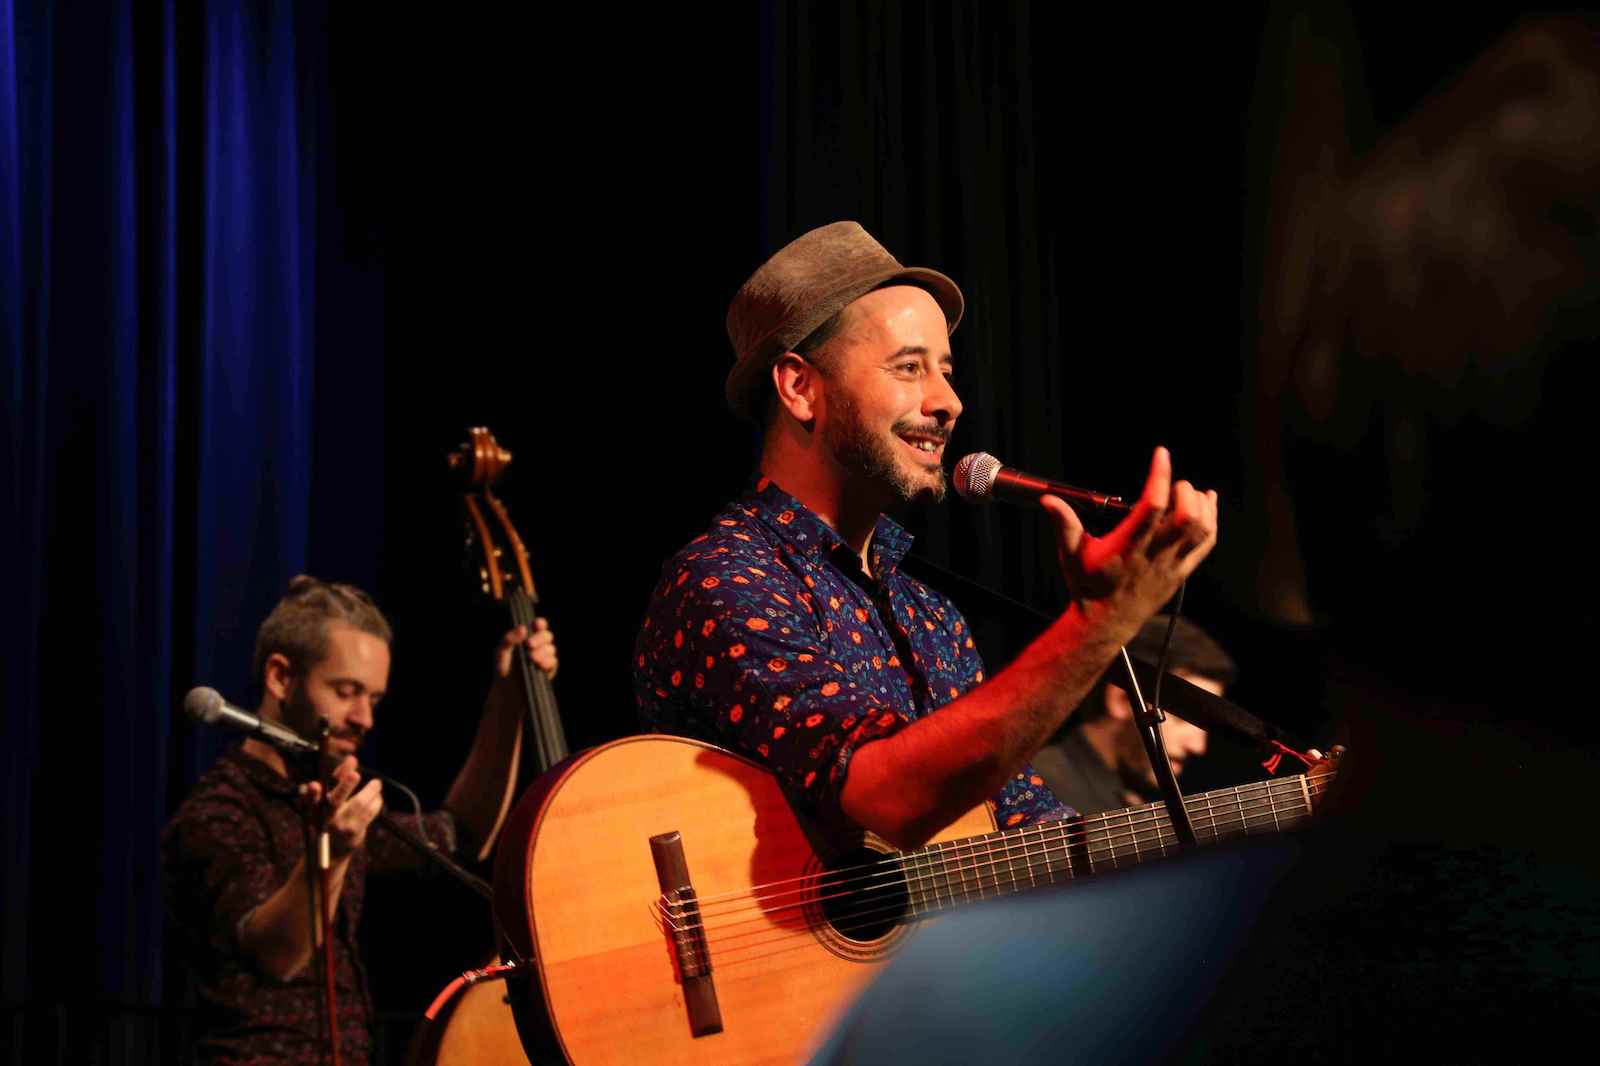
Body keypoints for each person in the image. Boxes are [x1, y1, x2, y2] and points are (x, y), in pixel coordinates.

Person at [633, 221, 1217, 851]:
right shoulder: (726, 580)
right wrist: (1102, 621)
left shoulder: (929, 616)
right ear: (800, 387)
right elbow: (887, 797)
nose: (949, 402)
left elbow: (1031, 828)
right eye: (909, 367)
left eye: (946, 369)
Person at [161, 576, 557, 1066]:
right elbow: (277, 955)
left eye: (374, 699)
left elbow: (459, 835)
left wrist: (510, 697)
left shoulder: (329, 804)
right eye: (346, 691)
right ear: (280, 677)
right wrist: (332, 854)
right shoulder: (220, 811)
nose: (364, 719)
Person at [1030, 614, 1236, 815]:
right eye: (1184, 717)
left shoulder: (1122, 796)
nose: (1198, 746)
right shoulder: (1041, 790)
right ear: (1122, 701)